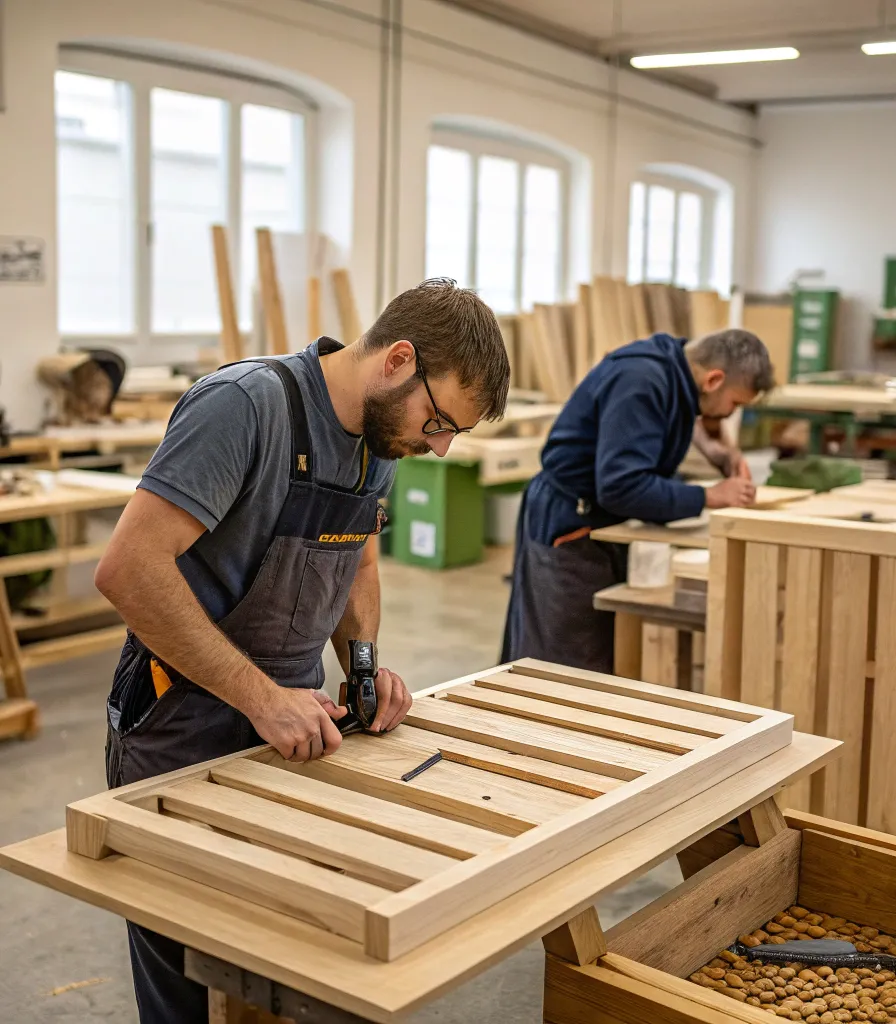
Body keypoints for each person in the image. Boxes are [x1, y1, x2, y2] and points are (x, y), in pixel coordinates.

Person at [95, 277, 510, 1024]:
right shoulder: (245, 407)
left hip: (293, 731)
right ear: (398, 361)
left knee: (287, 971)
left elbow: (358, 556)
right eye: (440, 419)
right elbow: (129, 570)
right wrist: (262, 697)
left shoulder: (379, 437)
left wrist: (361, 670)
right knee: (194, 985)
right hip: (181, 727)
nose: (440, 446)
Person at [501, 328, 774, 673]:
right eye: (735, 404)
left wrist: (716, 450)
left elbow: (675, 413)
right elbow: (621, 486)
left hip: (598, 523)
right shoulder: (641, 380)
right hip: (571, 523)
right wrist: (708, 496)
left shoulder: (675, 366)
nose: (730, 414)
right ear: (714, 379)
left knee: (596, 655)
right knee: (562, 663)